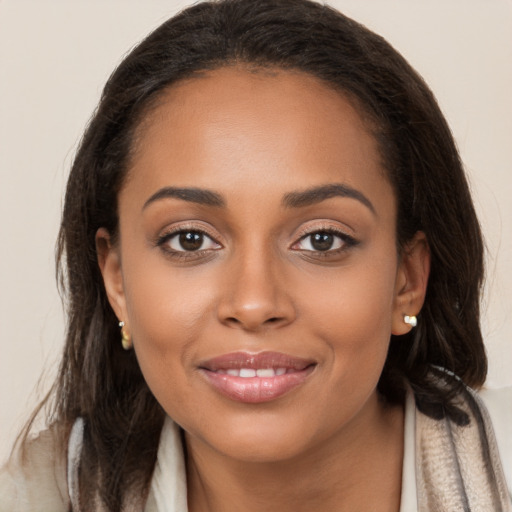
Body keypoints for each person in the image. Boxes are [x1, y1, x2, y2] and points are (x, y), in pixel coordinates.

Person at [1, 0, 511, 510]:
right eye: (190, 240)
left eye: (322, 239)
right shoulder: (31, 496)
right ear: (117, 281)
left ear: (408, 278)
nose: (253, 303)